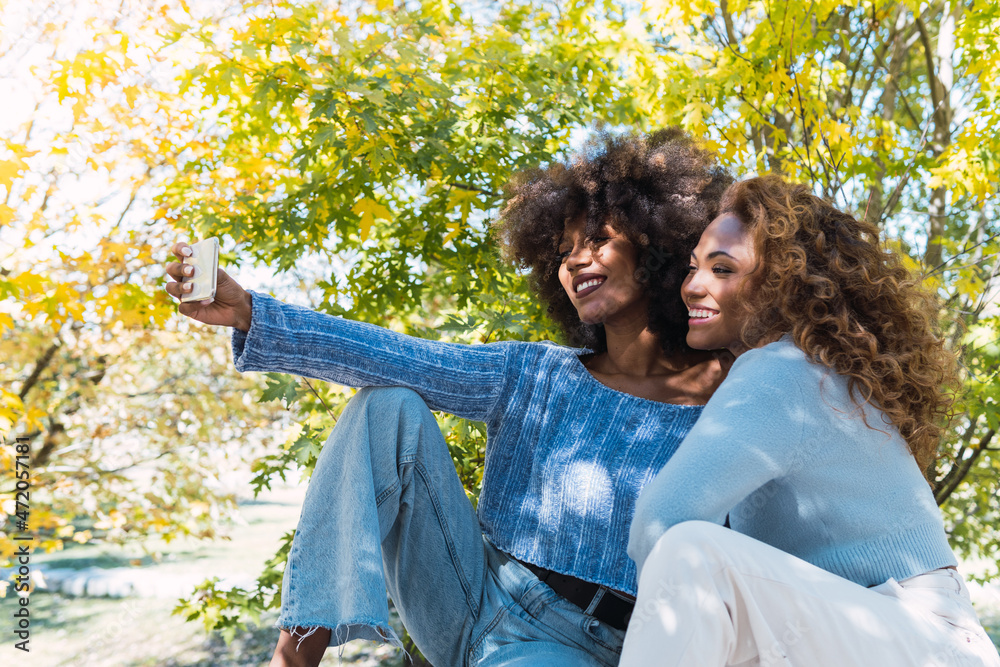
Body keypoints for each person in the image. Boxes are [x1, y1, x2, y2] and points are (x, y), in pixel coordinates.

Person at [164, 129, 734, 667]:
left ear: (658, 247)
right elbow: (391, 357)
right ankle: (292, 658)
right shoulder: (534, 373)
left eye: (598, 240)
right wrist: (251, 313)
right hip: (467, 590)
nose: (575, 260)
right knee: (387, 407)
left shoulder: (732, 398)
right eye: (563, 250)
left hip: (588, 645)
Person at [620, 174, 1000, 666]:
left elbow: (661, 520)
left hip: (922, 638)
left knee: (691, 551)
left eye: (722, 269)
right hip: (896, 635)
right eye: (694, 267)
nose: (692, 286)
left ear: (782, 283)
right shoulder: (817, 371)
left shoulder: (782, 370)